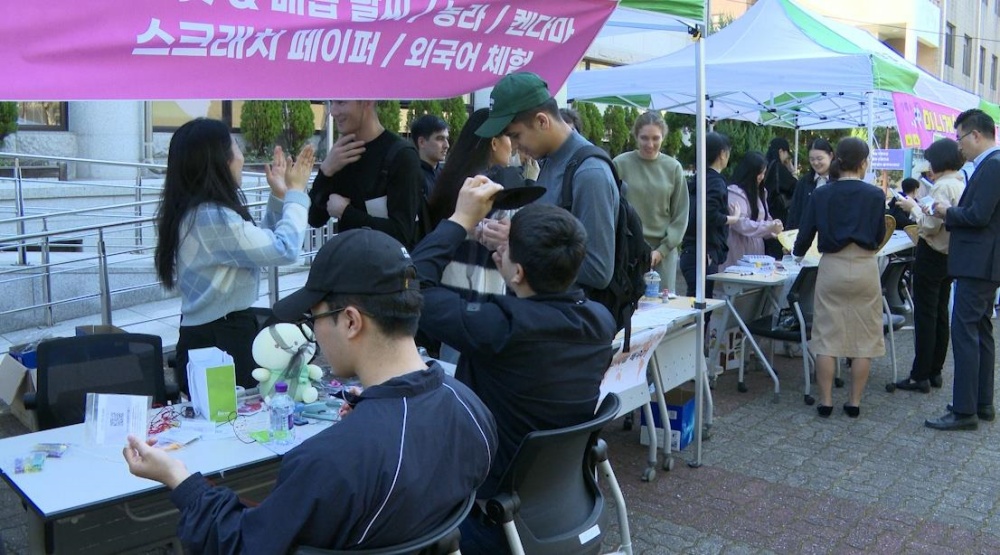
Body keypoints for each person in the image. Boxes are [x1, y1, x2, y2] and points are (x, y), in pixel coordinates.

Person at [125, 228, 498, 553]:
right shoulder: (473, 410)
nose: (314, 333)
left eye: (314, 318)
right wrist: (368, 422)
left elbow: (239, 544)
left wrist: (179, 479)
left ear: (351, 321)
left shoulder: (330, 461)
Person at [413, 176, 616, 554]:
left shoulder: (500, 327)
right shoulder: (600, 320)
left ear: (519, 273)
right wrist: (516, 261)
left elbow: (412, 286)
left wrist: (459, 219)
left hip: (493, 516)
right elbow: (540, 312)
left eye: (509, 251)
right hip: (561, 504)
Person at [154, 118, 315, 392]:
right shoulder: (211, 217)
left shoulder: (198, 212)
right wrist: (296, 194)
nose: (241, 156)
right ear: (219, 160)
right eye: (236, 146)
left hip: (211, 335)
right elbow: (285, 249)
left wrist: (279, 197)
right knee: (235, 424)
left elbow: (254, 249)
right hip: (222, 340)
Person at [475, 71, 618, 292]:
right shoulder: (550, 160)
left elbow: (598, 270)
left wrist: (518, 242)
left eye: (515, 135)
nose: (514, 146)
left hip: (572, 318)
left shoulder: (589, 173)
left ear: (542, 121)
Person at [427, 107, 538, 363]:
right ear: (495, 141)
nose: (514, 145)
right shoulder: (491, 188)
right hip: (481, 300)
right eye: (511, 137)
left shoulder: (456, 181)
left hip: (451, 298)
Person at [793, 137, 886, 418]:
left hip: (831, 265)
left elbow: (804, 234)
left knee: (826, 336)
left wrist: (797, 253)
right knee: (864, 338)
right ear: (863, 163)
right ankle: (854, 402)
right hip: (865, 266)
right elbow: (880, 234)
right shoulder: (875, 195)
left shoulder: (821, 194)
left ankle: (825, 401)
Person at [926, 109, 1000, 431]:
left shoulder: (993, 166)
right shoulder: (989, 166)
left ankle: (964, 409)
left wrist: (947, 212)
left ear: (976, 136)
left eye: (960, 139)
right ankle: (981, 402)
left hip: (978, 264)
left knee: (966, 332)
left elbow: (978, 215)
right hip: (983, 264)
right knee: (980, 330)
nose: (959, 147)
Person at [892, 139, 965, 393]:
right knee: (940, 313)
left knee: (925, 314)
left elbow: (931, 224)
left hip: (932, 252)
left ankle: (919, 374)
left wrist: (912, 208)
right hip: (949, 255)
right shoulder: (959, 183)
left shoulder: (941, 187)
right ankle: (934, 371)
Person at [308, 100, 423, 248]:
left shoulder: (402, 156)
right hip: (349, 265)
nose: (333, 111)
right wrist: (326, 170)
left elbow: (402, 233)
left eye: (341, 103)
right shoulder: (342, 154)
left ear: (367, 102)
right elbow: (314, 218)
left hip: (387, 267)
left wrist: (346, 213)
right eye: (332, 103)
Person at [613, 110, 689, 292]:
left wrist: (662, 250)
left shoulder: (673, 168)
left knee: (662, 310)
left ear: (663, 137)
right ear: (636, 137)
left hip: (663, 251)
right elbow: (611, 208)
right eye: (644, 138)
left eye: (656, 138)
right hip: (628, 251)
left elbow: (680, 214)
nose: (650, 144)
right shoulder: (619, 164)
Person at [679, 132, 741, 299]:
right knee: (702, 307)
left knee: (696, 304)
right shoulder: (715, 181)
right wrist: (732, 218)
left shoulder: (699, 178)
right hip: (703, 253)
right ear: (722, 154)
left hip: (690, 251)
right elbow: (709, 214)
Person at [722, 151, 783, 269]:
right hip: (738, 249)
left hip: (757, 252)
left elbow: (765, 217)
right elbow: (740, 223)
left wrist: (775, 227)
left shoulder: (761, 192)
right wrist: (769, 226)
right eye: (759, 173)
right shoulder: (734, 192)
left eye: (764, 173)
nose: (761, 177)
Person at [786, 138, 833, 230]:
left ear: (831, 156)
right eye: (812, 159)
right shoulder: (804, 182)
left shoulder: (839, 181)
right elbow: (795, 212)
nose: (815, 163)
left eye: (820, 159)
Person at [763, 137, 797, 258]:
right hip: (778, 214)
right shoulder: (779, 167)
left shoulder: (765, 165)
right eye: (787, 154)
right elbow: (795, 187)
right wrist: (792, 171)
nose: (787, 159)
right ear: (781, 151)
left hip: (765, 213)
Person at [410, 114, 449, 199]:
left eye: (446, 139)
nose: (447, 145)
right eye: (440, 138)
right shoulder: (412, 178)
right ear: (422, 142)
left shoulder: (446, 174)